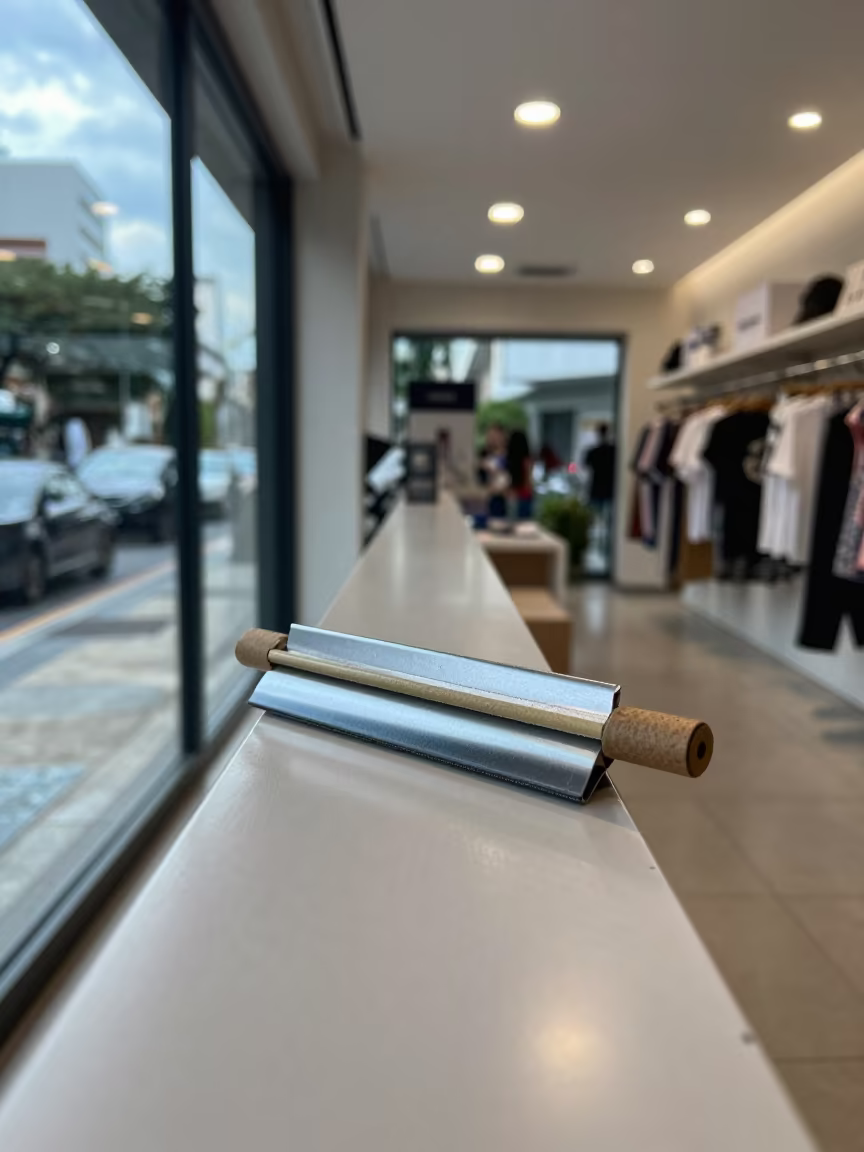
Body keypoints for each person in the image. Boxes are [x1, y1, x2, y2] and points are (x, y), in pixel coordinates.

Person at [584, 423, 616, 506]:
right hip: (608, 488)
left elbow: (586, 465)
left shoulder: (593, 451)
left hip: (598, 488)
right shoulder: (613, 450)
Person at [506, 428, 533, 519]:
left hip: (512, 495)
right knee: (524, 522)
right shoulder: (527, 460)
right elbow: (528, 481)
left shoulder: (510, 460)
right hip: (525, 495)